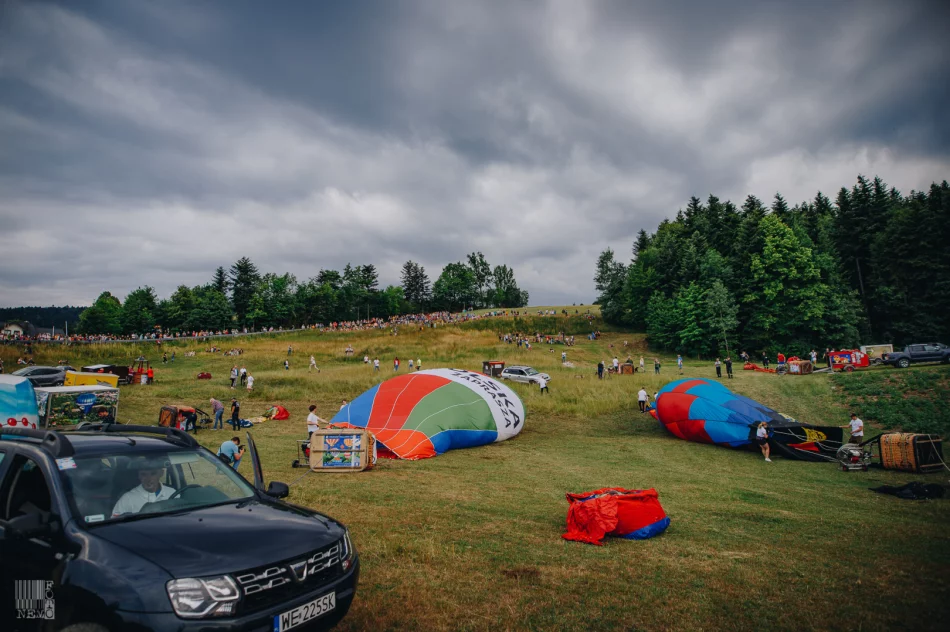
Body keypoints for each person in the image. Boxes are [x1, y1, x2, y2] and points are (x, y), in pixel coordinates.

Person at [111, 457, 176, 517]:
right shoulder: (127, 499)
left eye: (153, 474)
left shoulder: (172, 493)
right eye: (143, 474)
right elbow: (114, 522)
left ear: (161, 473)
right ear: (139, 476)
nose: (149, 479)